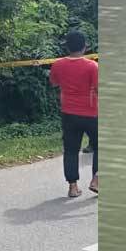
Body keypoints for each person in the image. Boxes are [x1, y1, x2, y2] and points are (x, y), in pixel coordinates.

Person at [47, 30, 98, 198]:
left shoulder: (58, 65)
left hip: (69, 113)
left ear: (67, 47)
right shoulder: (92, 66)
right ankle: (97, 179)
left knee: (70, 150)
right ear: (85, 47)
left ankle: (73, 187)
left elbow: (53, 83)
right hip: (91, 113)